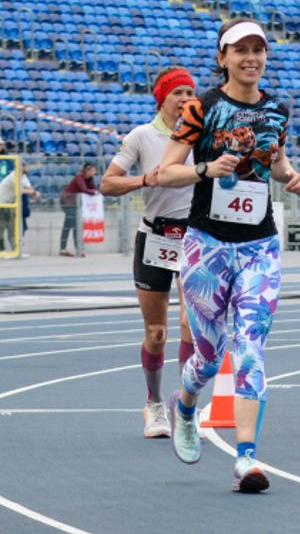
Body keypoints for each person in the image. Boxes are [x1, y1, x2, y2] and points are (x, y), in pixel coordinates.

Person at [157, 18, 300, 493]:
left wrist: (290, 177)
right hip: (207, 245)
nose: (251, 58)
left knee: (250, 350)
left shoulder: (278, 110)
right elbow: (166, 171)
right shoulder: (203, 107)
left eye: (258, 49)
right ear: (222, 58)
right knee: (208, 354)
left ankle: (246, 459)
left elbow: (277, 162)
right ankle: (185, 405)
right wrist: (205, 168)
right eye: (240, 50)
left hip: (259, 245)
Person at [101, 66, 198, 439]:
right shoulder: (142, 136)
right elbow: (108, 183)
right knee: (156, 332)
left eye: (191, 92)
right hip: (156, 238)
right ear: (162, 98)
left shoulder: (200, 136)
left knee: (192, 326)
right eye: (178, 93)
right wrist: (144, 178)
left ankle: (187, 409)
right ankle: (154, 404)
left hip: (195, 238)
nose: (186, 99)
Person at [0, 163, 40, 252]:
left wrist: (33, 193)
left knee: (12, 226)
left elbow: (29, 188)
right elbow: (19, 190)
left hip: (9, 203)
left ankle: (15, 249)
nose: (28, 168)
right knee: (1, 226)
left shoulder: (23, 177)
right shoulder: (13, 177)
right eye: (26, 166)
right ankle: (2, 248)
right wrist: (33, 193)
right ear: (20, 167)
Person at [59, 162, 97, 257]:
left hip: (75, 205)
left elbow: (94, 188)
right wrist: (94, 192)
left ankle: (64, 249)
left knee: (68, 225)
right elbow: (84, 189)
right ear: (87, 170)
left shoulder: (90, 179)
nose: (95, 173)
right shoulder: (79, 178)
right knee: (75, 225)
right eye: (93, 170)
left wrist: (94, 191)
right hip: (67, 203)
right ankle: (78, 249)